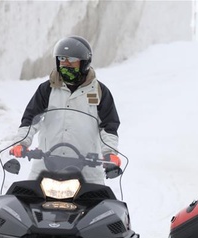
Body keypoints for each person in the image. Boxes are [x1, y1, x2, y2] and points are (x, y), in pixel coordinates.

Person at [9, 35, 121, 185]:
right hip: (46, 167)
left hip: (88, 171)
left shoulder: (99, 92)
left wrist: (110, 154)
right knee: (23, 202)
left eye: (72, 60)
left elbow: (109, 127)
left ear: (84, 63)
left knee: (101, 205)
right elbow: (31, 119)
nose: (65, 64)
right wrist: (21, 143)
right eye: (62, 59)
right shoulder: (47, 89)